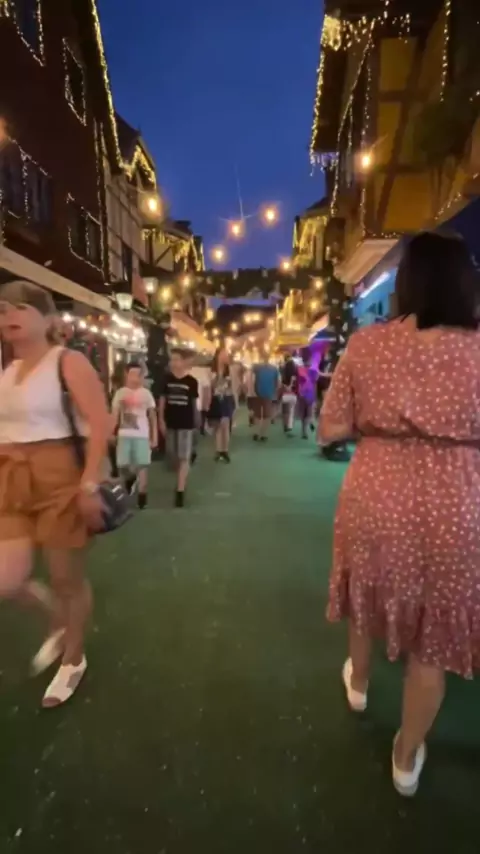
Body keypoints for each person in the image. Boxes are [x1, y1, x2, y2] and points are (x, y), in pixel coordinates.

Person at [319, 231, 480, 797]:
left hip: (377, 489)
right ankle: (407, 756)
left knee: (367, 589)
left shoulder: (368, 345)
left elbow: (330, 427)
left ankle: (359, 684)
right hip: (457, 500)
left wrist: (386, 426)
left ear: (406, 283)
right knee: (433, 637)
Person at [0, 280, 110, 707]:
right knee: (7, 580)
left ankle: (74, 657)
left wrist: (89, 483)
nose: (8, 316)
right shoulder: (7, 371)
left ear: (46, 318)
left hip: (61, 477)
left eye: (19, 308)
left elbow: (99, 424)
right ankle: (59, 621)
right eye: (3, 309)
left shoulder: (68, 361)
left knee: (66, 578)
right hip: (12, 477)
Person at [112, 363, 157, 509]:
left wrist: (154, 436)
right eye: (132, 374)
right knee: (122, 465)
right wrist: (111, 432)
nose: (135, 378)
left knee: (142, 464)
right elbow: (114, 415)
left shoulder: (146, 394)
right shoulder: (120, 393)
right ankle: (128, 484)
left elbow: (152, 416)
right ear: (126, 375)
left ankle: (142, 495)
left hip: (142, 435)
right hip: (124, 434)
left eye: (139, 375)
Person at [158, 349, 198, 507]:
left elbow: (193, 404)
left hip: (186, 424)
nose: (174, 363)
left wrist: (197, 421)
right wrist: (161, 420)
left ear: (183, 362)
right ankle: (180, 479)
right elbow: (162, 402)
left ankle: (180, 490)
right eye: (172, 360)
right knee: (172, 455)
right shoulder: (166, 380)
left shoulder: (191, 382)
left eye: (177, 359)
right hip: (170, 422)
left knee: (184, 457)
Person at [209, 347, 235, 462]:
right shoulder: (212, 369)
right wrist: (218, 377)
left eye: (226, 354)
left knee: (225, 424)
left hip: (226, 398)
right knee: (218, 425)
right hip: (215, 398)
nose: (225, 356)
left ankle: (225, 450)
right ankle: (218, 450)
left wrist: (234, 401)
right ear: (217, 355)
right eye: (223, 354)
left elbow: (232, 386)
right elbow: (211, 385)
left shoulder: (229, 369)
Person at [252, 354, 279, 442]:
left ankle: (257, 433)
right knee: (266, 415)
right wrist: (274, 392)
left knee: (258, 415)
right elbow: (277, 382)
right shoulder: (274, 369)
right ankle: (263, 434)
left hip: (258, 393)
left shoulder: (257, 368)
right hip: (268, 393)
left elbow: (252, 379)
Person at [297, 354, 318, 439]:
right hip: (309, 394)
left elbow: (299, 384)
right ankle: (309, 424)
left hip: (303, 394)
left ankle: (304, 431)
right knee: (308, 413)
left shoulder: (300, 371)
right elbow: (315, 384)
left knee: (304, 414)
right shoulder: (313, 372)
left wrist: (300, 393)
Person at [280, 353, 298, 436]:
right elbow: (293, 378)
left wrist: (286, 386)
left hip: (284, 391)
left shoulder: (283, 369)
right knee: (291, 410)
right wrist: (290, 386)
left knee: (285, 410)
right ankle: (289, 426)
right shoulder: (294, 368)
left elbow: (281, 381)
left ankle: (285, 425)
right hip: (292, 392)